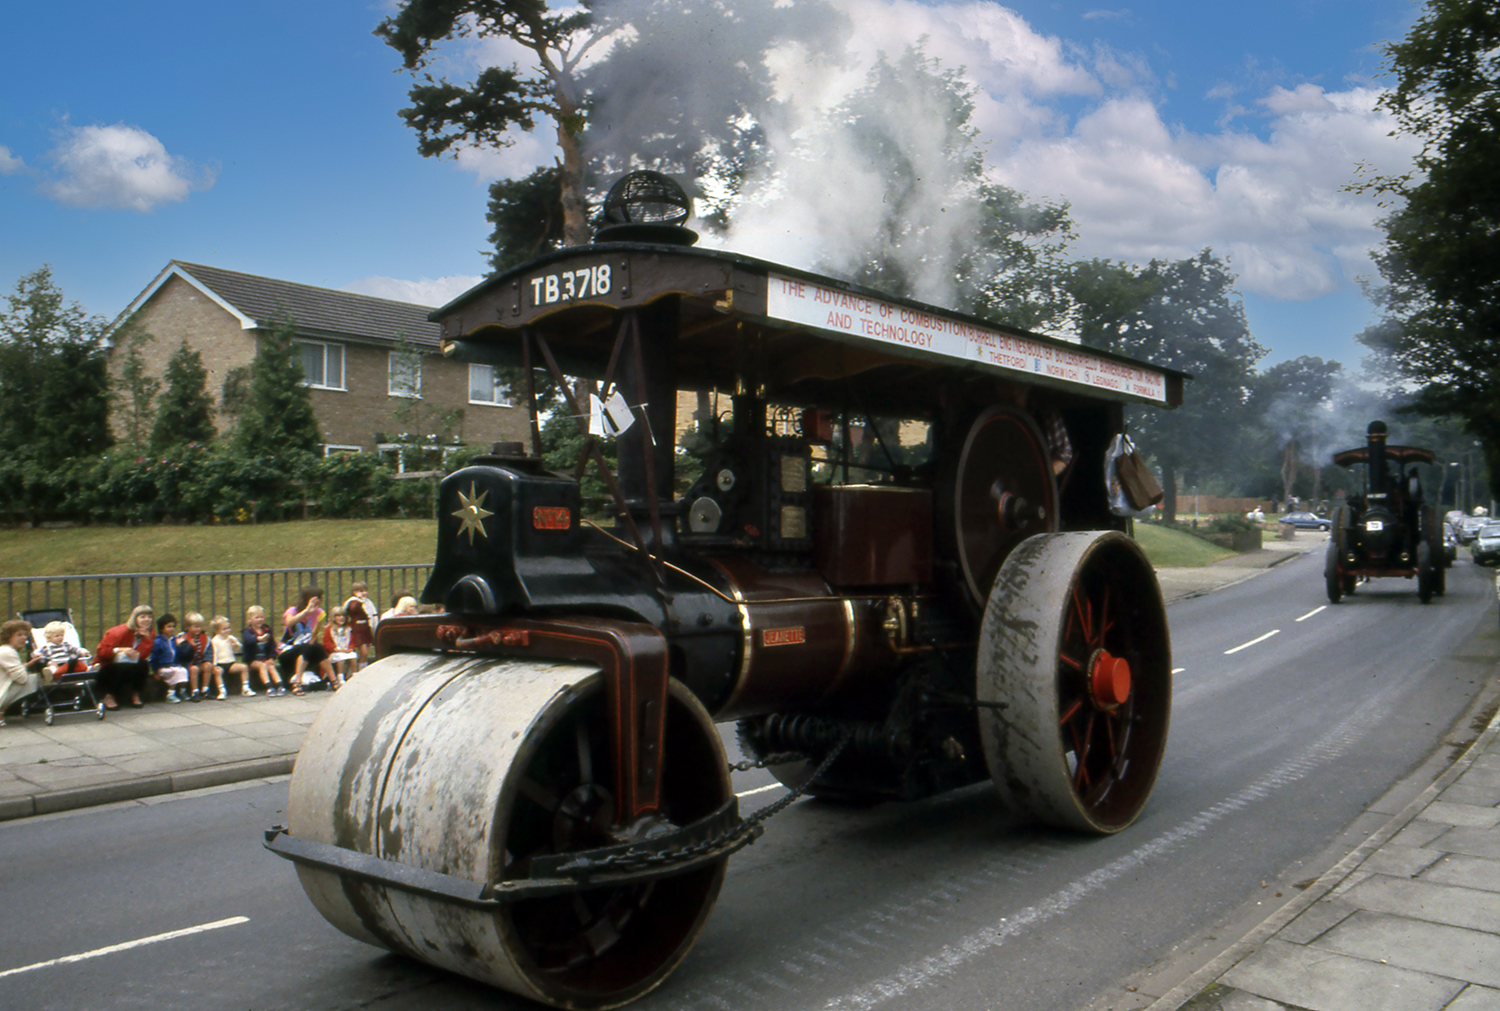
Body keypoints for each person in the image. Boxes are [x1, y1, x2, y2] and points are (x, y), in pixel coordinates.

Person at [94, 604, 155, 709]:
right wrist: (121, 650)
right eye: (142, 617)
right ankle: (108, 696)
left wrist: (147, 639)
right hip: (108, 665)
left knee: (143, 665)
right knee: (122, 667)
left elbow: (143, 655)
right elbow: (102, 652)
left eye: (149, 617)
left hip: (131, 664)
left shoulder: (150, 633)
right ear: (134, 618)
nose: (147, 620)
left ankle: (135, 694)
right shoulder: (119, 632)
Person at [282, 587, 335, 696]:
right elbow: (289, 623)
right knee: (305, 648)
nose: (319, 601)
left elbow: (314, 635)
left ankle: (334, 680)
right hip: (288, 649)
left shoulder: (320, 613)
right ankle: (297, 683)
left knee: (317, 647)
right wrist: (307, 611)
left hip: (306, 650)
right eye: (317, 598)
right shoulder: (292, 611)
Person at [0, 620, 45, 726]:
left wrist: (29, 663)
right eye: (19, 635)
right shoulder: (7, 652)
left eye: (25, 635)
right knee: (31, 679)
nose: (24, 638)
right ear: (9, 637)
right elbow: (21, 678)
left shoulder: (5, 650)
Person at [242, 606, 285, 697]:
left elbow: (272, 645)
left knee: (270, 665)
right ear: (250, 620)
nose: (260, 620)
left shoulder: (266, 630)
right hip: (253, 659)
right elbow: (248, 640)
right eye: (256, 617)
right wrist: (258, 638)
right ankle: (268, 686)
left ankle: (279, 685)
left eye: (261, 617)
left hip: (265, 658)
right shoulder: (248, 631)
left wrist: (271, 657)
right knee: (262, 665)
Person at [149, 614, 192, 704]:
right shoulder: (158, 641)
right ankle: (170, 694)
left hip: (173, 665)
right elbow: (154, 657)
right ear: (161, 629)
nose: (171, 629)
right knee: (176, 672)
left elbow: (179, 655)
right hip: (163, 667)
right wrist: (156, 670)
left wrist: (179, 645)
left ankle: (182, 691)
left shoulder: (174, 640)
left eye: (173, 626)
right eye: (168, 627)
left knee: (183, 670)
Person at [181, 612, 220, 702]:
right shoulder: (183, 638)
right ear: (187, 627)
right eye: (195, 627)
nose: (198, 629)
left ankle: (205, 689)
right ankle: (195, 691)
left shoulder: (204, 638)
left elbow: (210, 651)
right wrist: (190, 646)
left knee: (208, 666)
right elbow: (182, 654)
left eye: (200, 626)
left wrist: (207, 661)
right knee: (194, 669)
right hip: (188, 664)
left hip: (200, 662)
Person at [210, 616, 253, 697]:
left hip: (230, 663)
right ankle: (222, 690)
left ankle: (245, 688)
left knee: (244, 667)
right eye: (224, 629)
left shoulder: (230, 638)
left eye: (228, 628)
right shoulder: (214, 640)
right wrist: (214, 665)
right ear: (217, 631)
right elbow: (214, 653)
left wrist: (235, 645)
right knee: (217, 672)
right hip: (220, 663)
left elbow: (239, 648)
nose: (227, 631)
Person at [323, 606, 358, 682]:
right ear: (333, 618)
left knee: (353, 655)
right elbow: (327, 643)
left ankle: (354, 673)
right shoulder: (329, 629)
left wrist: (350, 648)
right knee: (340, 657)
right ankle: (340, 676)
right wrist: (335, 649)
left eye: (343, 616)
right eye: (338, 616)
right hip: (335, 651)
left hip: (346, 649)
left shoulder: (348, 628)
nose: (341, 618)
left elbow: (352, 641)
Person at [343, 582, 375, 667]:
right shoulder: (353, 602)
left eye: (365, 590)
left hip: (366, 628)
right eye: (361, 591)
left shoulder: (368, 602)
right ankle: (360, 669)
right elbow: (352, 609)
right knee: (364, 652)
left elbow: (372, 613)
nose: (364, 593)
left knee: (365, 653)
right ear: (354, 592)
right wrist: (359, 601)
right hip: (357, 628)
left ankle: (363, 666)